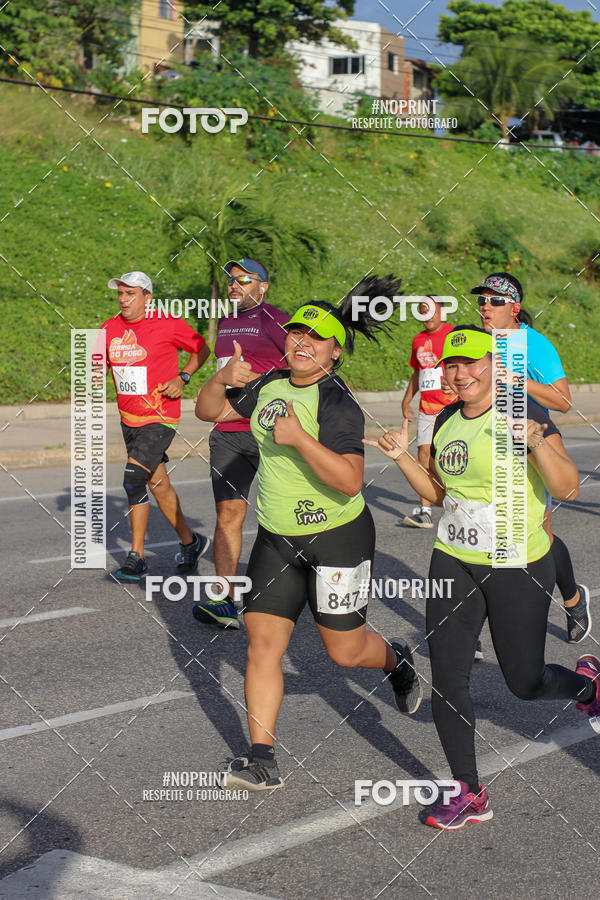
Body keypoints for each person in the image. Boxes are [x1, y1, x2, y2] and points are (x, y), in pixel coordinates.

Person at [365, 324, 600, 829]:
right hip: (453, 558)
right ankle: (468, 790)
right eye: (452, 364)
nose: (461, 373)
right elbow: (434, 494)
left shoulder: (523, 412)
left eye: (472, 363)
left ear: (496, 366)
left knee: (525, 681)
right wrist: (401, 456)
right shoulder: (446, 417)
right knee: (449, 676)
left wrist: (537, 442)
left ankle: (587, 689)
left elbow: (569, 488)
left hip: (518, 562)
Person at [195, 277, 422, 791]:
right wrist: (219, 378)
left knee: (344, 652)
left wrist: (298, 438)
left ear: (335, 352)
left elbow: (348, 479)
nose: (301, 342)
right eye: (296, 332)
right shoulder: (268, 384)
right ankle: (262, 760)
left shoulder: (336, 401)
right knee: (261, 646)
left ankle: (396, 659)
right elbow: (208, 411)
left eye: (315, 337)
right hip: (277, 539)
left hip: (338, 535)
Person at [475, 272, 590, 643]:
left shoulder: (532, 345)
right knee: (480, 530)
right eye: (482, 300)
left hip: (530, 443)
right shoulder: (479, 343)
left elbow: (563, 400)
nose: (485, 308)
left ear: (514, 307)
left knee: (538, 532)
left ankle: (572, 600)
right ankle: (470, 627)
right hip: (485, 446)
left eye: (495, 301)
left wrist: (515, 379)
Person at [191, 258, 289, 630]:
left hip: (271, 433)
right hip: (228, 435)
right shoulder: (227, 322)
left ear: (262, 286)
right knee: (228, 515)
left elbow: (303, 367)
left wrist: (262, 382)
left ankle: (292, 586)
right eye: (230, 280)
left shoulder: (279, 320)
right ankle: (224, 598)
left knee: (281, 515)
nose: (233, 285)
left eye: (242, 280)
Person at [101, 271, 210, 582]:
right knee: (157, 484)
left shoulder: (167, 323)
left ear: (147, 298)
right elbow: (103, 365)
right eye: (120, 293)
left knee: (133, 480)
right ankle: (191, 542)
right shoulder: (109, 328)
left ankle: (136, 557)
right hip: (129, 419)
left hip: (160, 415)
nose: (123, 299)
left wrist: (183, 377)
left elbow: (201, 348)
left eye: (130, 294)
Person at [401, 298, 458, 529]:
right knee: (424, 455)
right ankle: (425, 511)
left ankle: (456, 501)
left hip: (452, 407)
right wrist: (406, 400)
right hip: (427, 408)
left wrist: (455, 384)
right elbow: (418, 372)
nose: (427, 315)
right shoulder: (418, 340)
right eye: (423, 311)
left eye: (432, 310)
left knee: (450, 457)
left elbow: (464, 365)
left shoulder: (454, 335)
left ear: (443, 312)